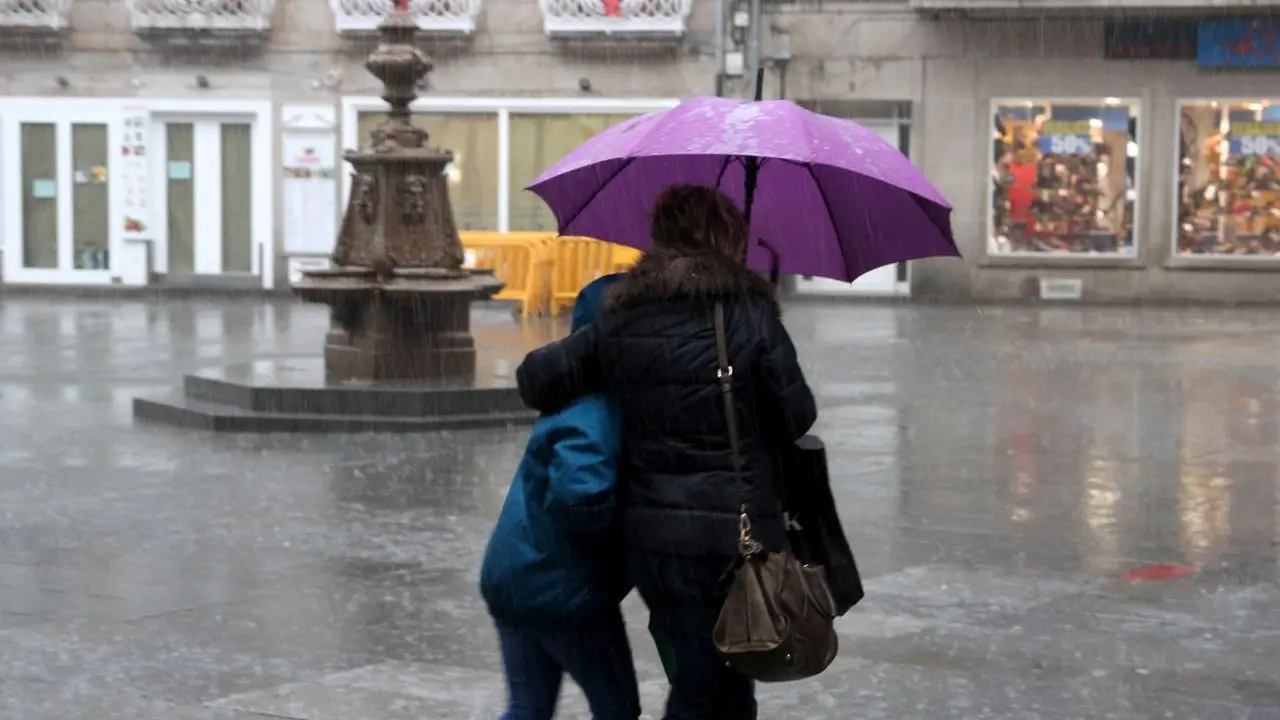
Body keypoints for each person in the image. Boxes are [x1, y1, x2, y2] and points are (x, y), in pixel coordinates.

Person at [515, 185, 818, 719]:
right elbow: (797, 415)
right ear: (726, 236)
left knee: (716, 675)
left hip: (653, 541)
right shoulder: (748, 312)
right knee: (710, 685)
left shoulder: (626, 313)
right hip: (735, 538)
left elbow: (537, 379)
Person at [479, 273, 641, 720]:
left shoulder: (569, 395)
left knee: (528, 706)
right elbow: (582, 493)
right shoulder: (599, 407)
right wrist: (623, 542)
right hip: (563, 591)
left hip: (513, 577)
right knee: (618, 708)